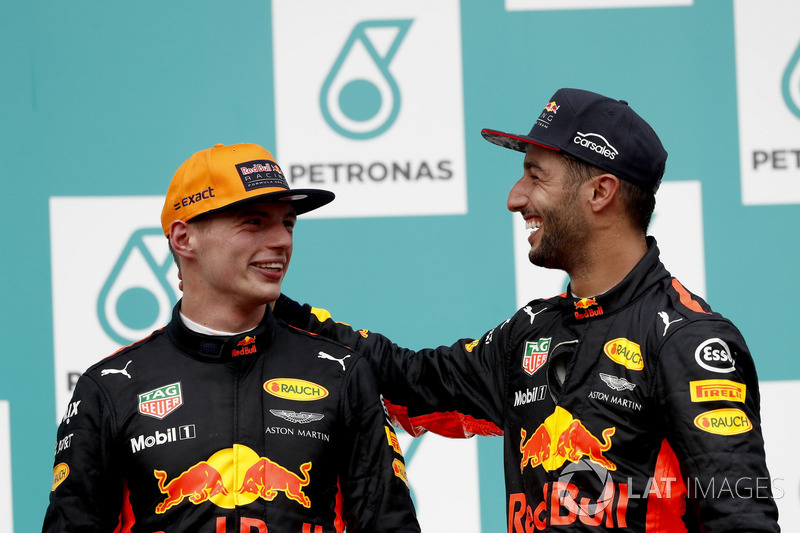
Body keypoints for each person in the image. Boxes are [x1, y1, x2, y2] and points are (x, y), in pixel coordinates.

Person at [274, 89, 781, 531]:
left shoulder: (688, 340)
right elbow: (410, 380)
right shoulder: (531, 332)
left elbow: (741, 518)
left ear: (600, 192)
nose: (516, 198)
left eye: (535, 176)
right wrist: (276, 311)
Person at [43, 143, 420, 533]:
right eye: (254, 222)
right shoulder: (111, 386)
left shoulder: (342, 373)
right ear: (183, 238)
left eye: (287, 223)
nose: (282, 241)